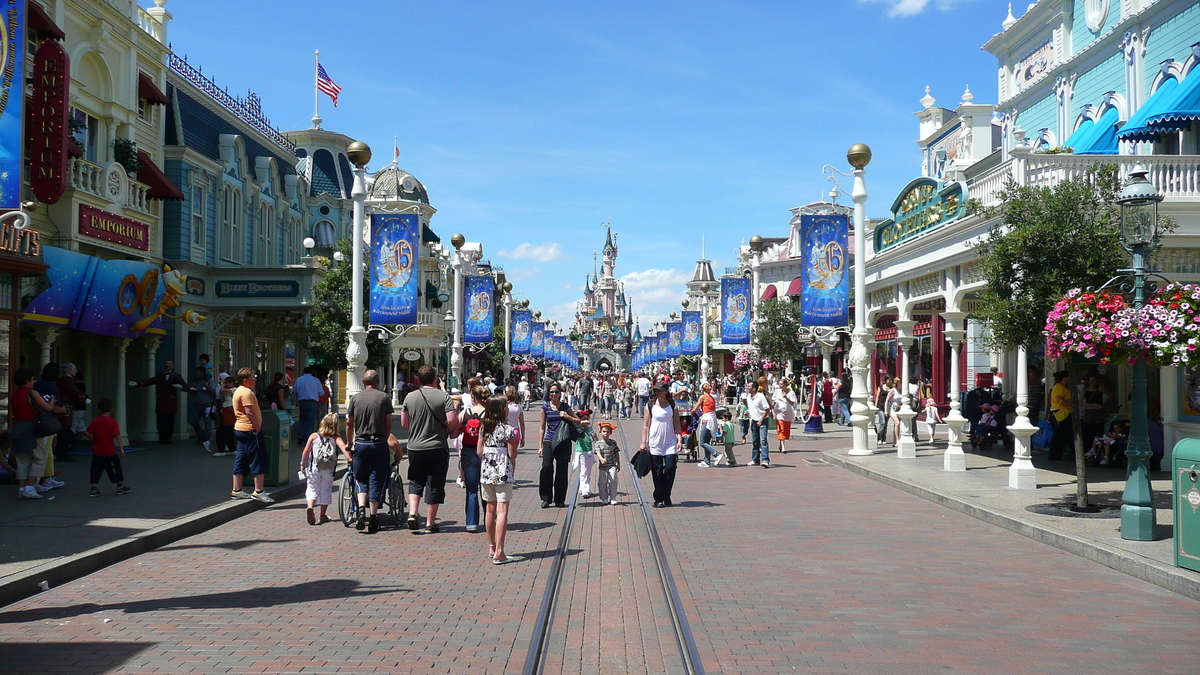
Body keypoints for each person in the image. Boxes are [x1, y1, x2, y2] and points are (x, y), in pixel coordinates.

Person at [400, 366, 461, 533]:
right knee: (434, 483)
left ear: (419, 379)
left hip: (415, 446)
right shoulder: (443, 397)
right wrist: (444, 428)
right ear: (435, 379)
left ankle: (413, 513)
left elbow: (405, 424)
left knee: (415, 480)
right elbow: (452, 420)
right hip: (437, 446)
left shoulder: (410, 397)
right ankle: (430, 523)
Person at [346, 369, 397, 534]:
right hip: (379, 442)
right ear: (377, 383)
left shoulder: (355, 398)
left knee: (360, 478)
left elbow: (349, 423)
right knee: (377, 478)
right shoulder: (384, 397)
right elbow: (388, 422)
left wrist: (349, 442)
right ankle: (373, 517)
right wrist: (386, 436)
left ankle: (361, 509)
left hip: (361, 443)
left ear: (363, 382)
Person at [478, 395, 519, 564]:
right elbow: (512, 453)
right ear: (502, 410)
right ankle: (500, 552)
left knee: (490, 509)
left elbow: (479, 452)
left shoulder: (484, 427)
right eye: (506, 407)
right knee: (502, 511)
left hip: (487, 470)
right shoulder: (507, 429)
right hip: (502, 471)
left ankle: (491, 546)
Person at [11, 369, 58, 500]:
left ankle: (22, 487)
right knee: (40, 456)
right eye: (32, 379)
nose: (34, 381)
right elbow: (47, 408)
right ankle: (30, 487)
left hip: (17, 426)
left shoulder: (14, 394)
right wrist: (53, 400)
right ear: (27, 381)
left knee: (22, 459)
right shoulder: (31, 392)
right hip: (31, 427)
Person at [230, 368, 274, 503]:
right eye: (252, 377)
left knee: (241, 458)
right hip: (250, 430)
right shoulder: (247, 392)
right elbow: (249, 412)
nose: (255, 380)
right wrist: (257, 428)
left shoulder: (238, 391)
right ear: (245, 380)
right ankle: (259, 491)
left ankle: (237, 490)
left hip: (240, 429)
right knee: (258, 458)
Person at [538, 383, 583, 508]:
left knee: (562, 471)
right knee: (546, 467)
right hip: (549, 440)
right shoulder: (545, 408)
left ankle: (560, 499)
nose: (554, 394)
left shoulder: (565, 406)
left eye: (556, 392)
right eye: (551, 392)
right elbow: (542, 428)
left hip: (563, 441)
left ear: (560, 393)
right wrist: (540, 446)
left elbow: (578, 420)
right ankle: (546, 498)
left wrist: (567, 416)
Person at [300, 413, 347, 525]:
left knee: (312, 488)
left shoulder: (313, 436)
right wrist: (350, 458)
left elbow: (306, 451)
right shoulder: (335, 438)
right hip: (328, 469)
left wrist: (303, 464)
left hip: (314, 468)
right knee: (325, 490)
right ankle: (322, 515)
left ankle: (310, 507)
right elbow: (343, 448)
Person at [640, 384, 682, 507]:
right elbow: (646, 425)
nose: (656, 392)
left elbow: (677, 424)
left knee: (670, 468)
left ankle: (666, 494)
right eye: (655, 390)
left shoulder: (672, 405)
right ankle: (659, 498)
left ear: (666, 391)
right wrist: (643, 442)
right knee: (657, 471)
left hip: (669, 441)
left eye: (659, 390)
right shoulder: (650, 405)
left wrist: (679, 439)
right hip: (655, 442)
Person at [129, 360, 187, 444]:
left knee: (169, 421)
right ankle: (162, 438)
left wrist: (181, 387)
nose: (167, 365)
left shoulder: (177, 376)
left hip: (171, 402)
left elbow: (186, 386)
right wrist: (138, 383)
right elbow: (150, 381)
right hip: (161, 402)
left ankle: (168, 438)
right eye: (166, 364)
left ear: (173, 366)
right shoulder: (160, 376)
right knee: (160, 420)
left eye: (169, 364)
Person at [457, 385, 489, 533]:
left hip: (468, 452)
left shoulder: (465, 413)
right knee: (486, 488)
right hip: (485, 452)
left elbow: (455, 430)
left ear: (473, 398)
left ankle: (471, 523)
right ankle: (489, 519)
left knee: (471, 489)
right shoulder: (489, 413)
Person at [85, 399, 129, 497]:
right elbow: (117, 435)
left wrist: (94, 441)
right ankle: (119, 487)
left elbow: (90, 434)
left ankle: (94, 488)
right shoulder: (112, 422)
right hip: (109, 450)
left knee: (95, 469)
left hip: (97, 450)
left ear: (99, 409)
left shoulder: (95, 421)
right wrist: (121, 448)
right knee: (116, 468)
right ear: (111, 409)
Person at [32, 364, 66, 491]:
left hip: (34, 421)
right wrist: (64, 410)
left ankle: (45, 477)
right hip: (47, 423)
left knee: (43, 452)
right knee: (45, 452)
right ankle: (40, 480)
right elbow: (56, 408)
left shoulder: (36, 385)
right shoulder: (52, 387)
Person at [54, 362, 86, 462]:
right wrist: (84, 398)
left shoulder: (65, 380)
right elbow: (75, 392)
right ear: (68, 370)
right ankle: (62, 454)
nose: (75, 371)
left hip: (66, 406)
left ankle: (62, 453)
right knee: (65, 431)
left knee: (66, 431)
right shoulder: (67, 380)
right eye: (74, 369)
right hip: (65, 408)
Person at [187, 366, 216, 453]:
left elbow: (213, 391)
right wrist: (191, 387)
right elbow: (192, 392)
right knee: (193, 420)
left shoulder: (208, 380)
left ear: (202, 373)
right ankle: (202, 436)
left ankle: (206, 440)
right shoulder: (196, 381)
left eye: (198, 372)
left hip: (206, 403)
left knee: (207, 423)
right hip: (197, 404)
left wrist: (206, 387)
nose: (196, 374)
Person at [293, 366, 324, 447]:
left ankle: (301, 436)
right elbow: (321, 392)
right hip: (313, 402)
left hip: (302, 401)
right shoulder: (316, 380)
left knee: (302, 419)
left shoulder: (299, 379)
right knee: (311, 421)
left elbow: (294, 391)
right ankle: (308, 438)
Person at [693, 383, 722, 467]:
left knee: (702, 442)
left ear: (702, 389)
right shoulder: (712, 397)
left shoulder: (703, 397)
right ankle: (707, 461)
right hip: (713, 418)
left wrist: (693, 411)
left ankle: (716, 454)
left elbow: (695, 409)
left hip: (706, 418)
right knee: (707, 441)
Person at [1048, 370, 1074, 461]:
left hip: (1063, 413)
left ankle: (1056, 454)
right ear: (1063, 379)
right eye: (1066, 378)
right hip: (1061, 414)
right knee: (1061, 434)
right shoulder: (1059, 387)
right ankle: (1055, 454)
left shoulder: (1061, 387)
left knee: (1060, 435)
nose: (1067, 380)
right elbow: (1058, 399)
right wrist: (1072, 402)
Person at [745, 381, 770, 468]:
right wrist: (748, 413)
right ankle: (755, 459)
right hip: (754, 421)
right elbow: (752, 408)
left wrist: (761, 419)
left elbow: (767, 409)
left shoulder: (760, 396)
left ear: (754, 388)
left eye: (749, 386)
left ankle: (765, 460)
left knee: (763, 440)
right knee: (755, 441)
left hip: (762, 421)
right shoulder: (749, 397)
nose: (747, 388)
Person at [595, 422, 620, 505]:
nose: (605, 434)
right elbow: (597, 452)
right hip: (602, 466)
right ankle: (604, 497)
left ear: (610, 433)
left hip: (612, 464)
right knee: (602, 482)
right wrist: (601, 459)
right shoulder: (598, 443)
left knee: (613, 480)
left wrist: (618, 464)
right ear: (600, 432)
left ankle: (613, 497)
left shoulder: (613, 442)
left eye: (607, 432)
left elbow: (616, 453)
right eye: (604, 431)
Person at [214, 376, 237, 457]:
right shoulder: (226, 391)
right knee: (228, 432)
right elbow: (221, 397)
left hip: (229, 411)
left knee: (220, 431)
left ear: (232, 383)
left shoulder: (234, 389)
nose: (226, 385)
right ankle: (232, 449)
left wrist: (222, 383)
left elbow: (224, 390)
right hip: (225, 410)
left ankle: (221, 450)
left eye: (227, 383)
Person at [772, 378, 797, 455]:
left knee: (786, 429)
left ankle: (781, 441)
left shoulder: (791, 392)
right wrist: (772, 410)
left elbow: (792, 403)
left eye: (782, 384)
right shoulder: (777, 392)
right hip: (779, 411)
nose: (780, 385)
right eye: (779, 384)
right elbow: (773, 401)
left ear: (786, 384)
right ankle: (783, 446)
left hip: (788, 413)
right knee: (781, 428)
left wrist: (786, 397)